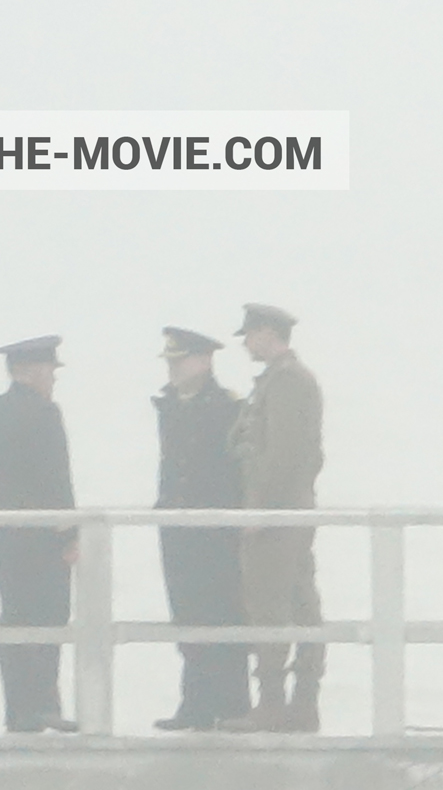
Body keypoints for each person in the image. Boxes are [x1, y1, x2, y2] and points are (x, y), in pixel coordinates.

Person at [0, 335, 79, 735]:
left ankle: (18, 711)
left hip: (7, 541)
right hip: (44, 539)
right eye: (49, 370)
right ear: (29, 370)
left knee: (13, 619)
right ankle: (45, 705)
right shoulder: (45, 413)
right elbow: (58, 480)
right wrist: (70, 534)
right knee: (49, 619)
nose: (53, 378)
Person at [219, 303, 325, 733]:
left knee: (272, 606)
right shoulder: (280, 381)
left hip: (280, 515)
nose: (245, 343)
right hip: (287, 510)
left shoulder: (288, 382)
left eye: (250, 334)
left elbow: (284, 453)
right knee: (297, 603)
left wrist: (261, 506)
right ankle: (297, 704)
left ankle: (278, 705)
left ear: (267, 333)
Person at [150, 326, 250, 731]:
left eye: (181, 360)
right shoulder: (169, 404)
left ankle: (232, 704)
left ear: (205, 361)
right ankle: (194, 704)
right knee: (187, 615)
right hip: (176, 529)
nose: (174, 368)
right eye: (170, 361)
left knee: (223, 612)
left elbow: (235, 469)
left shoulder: (226, 407)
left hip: (216, 529)